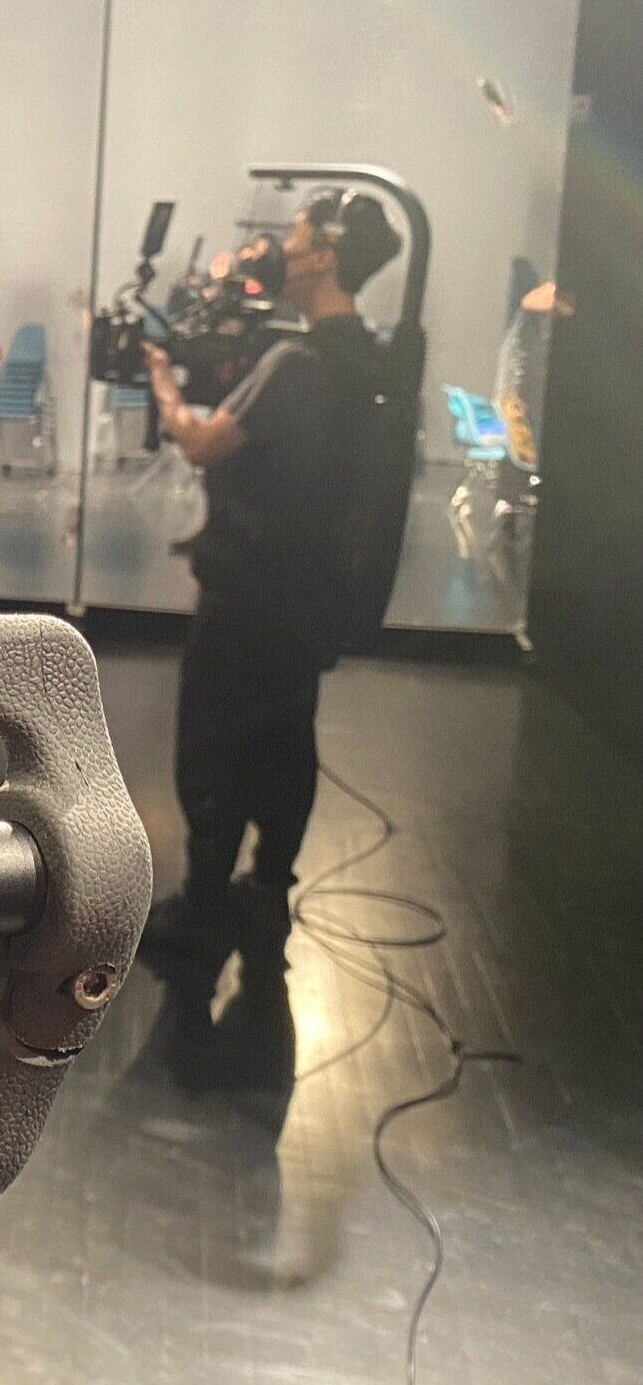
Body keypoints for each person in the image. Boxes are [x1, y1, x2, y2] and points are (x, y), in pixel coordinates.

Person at [140, 188, 404, 982]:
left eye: (294, 237)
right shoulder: (373, 362)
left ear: (323, 256)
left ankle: (202, 907)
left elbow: (201, 444)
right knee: (287, 743)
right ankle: (267, 892)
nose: (280, 250)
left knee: (211, 749)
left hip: (246, 594)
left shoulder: (297, 362)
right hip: (312, 598)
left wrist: (161, 381)